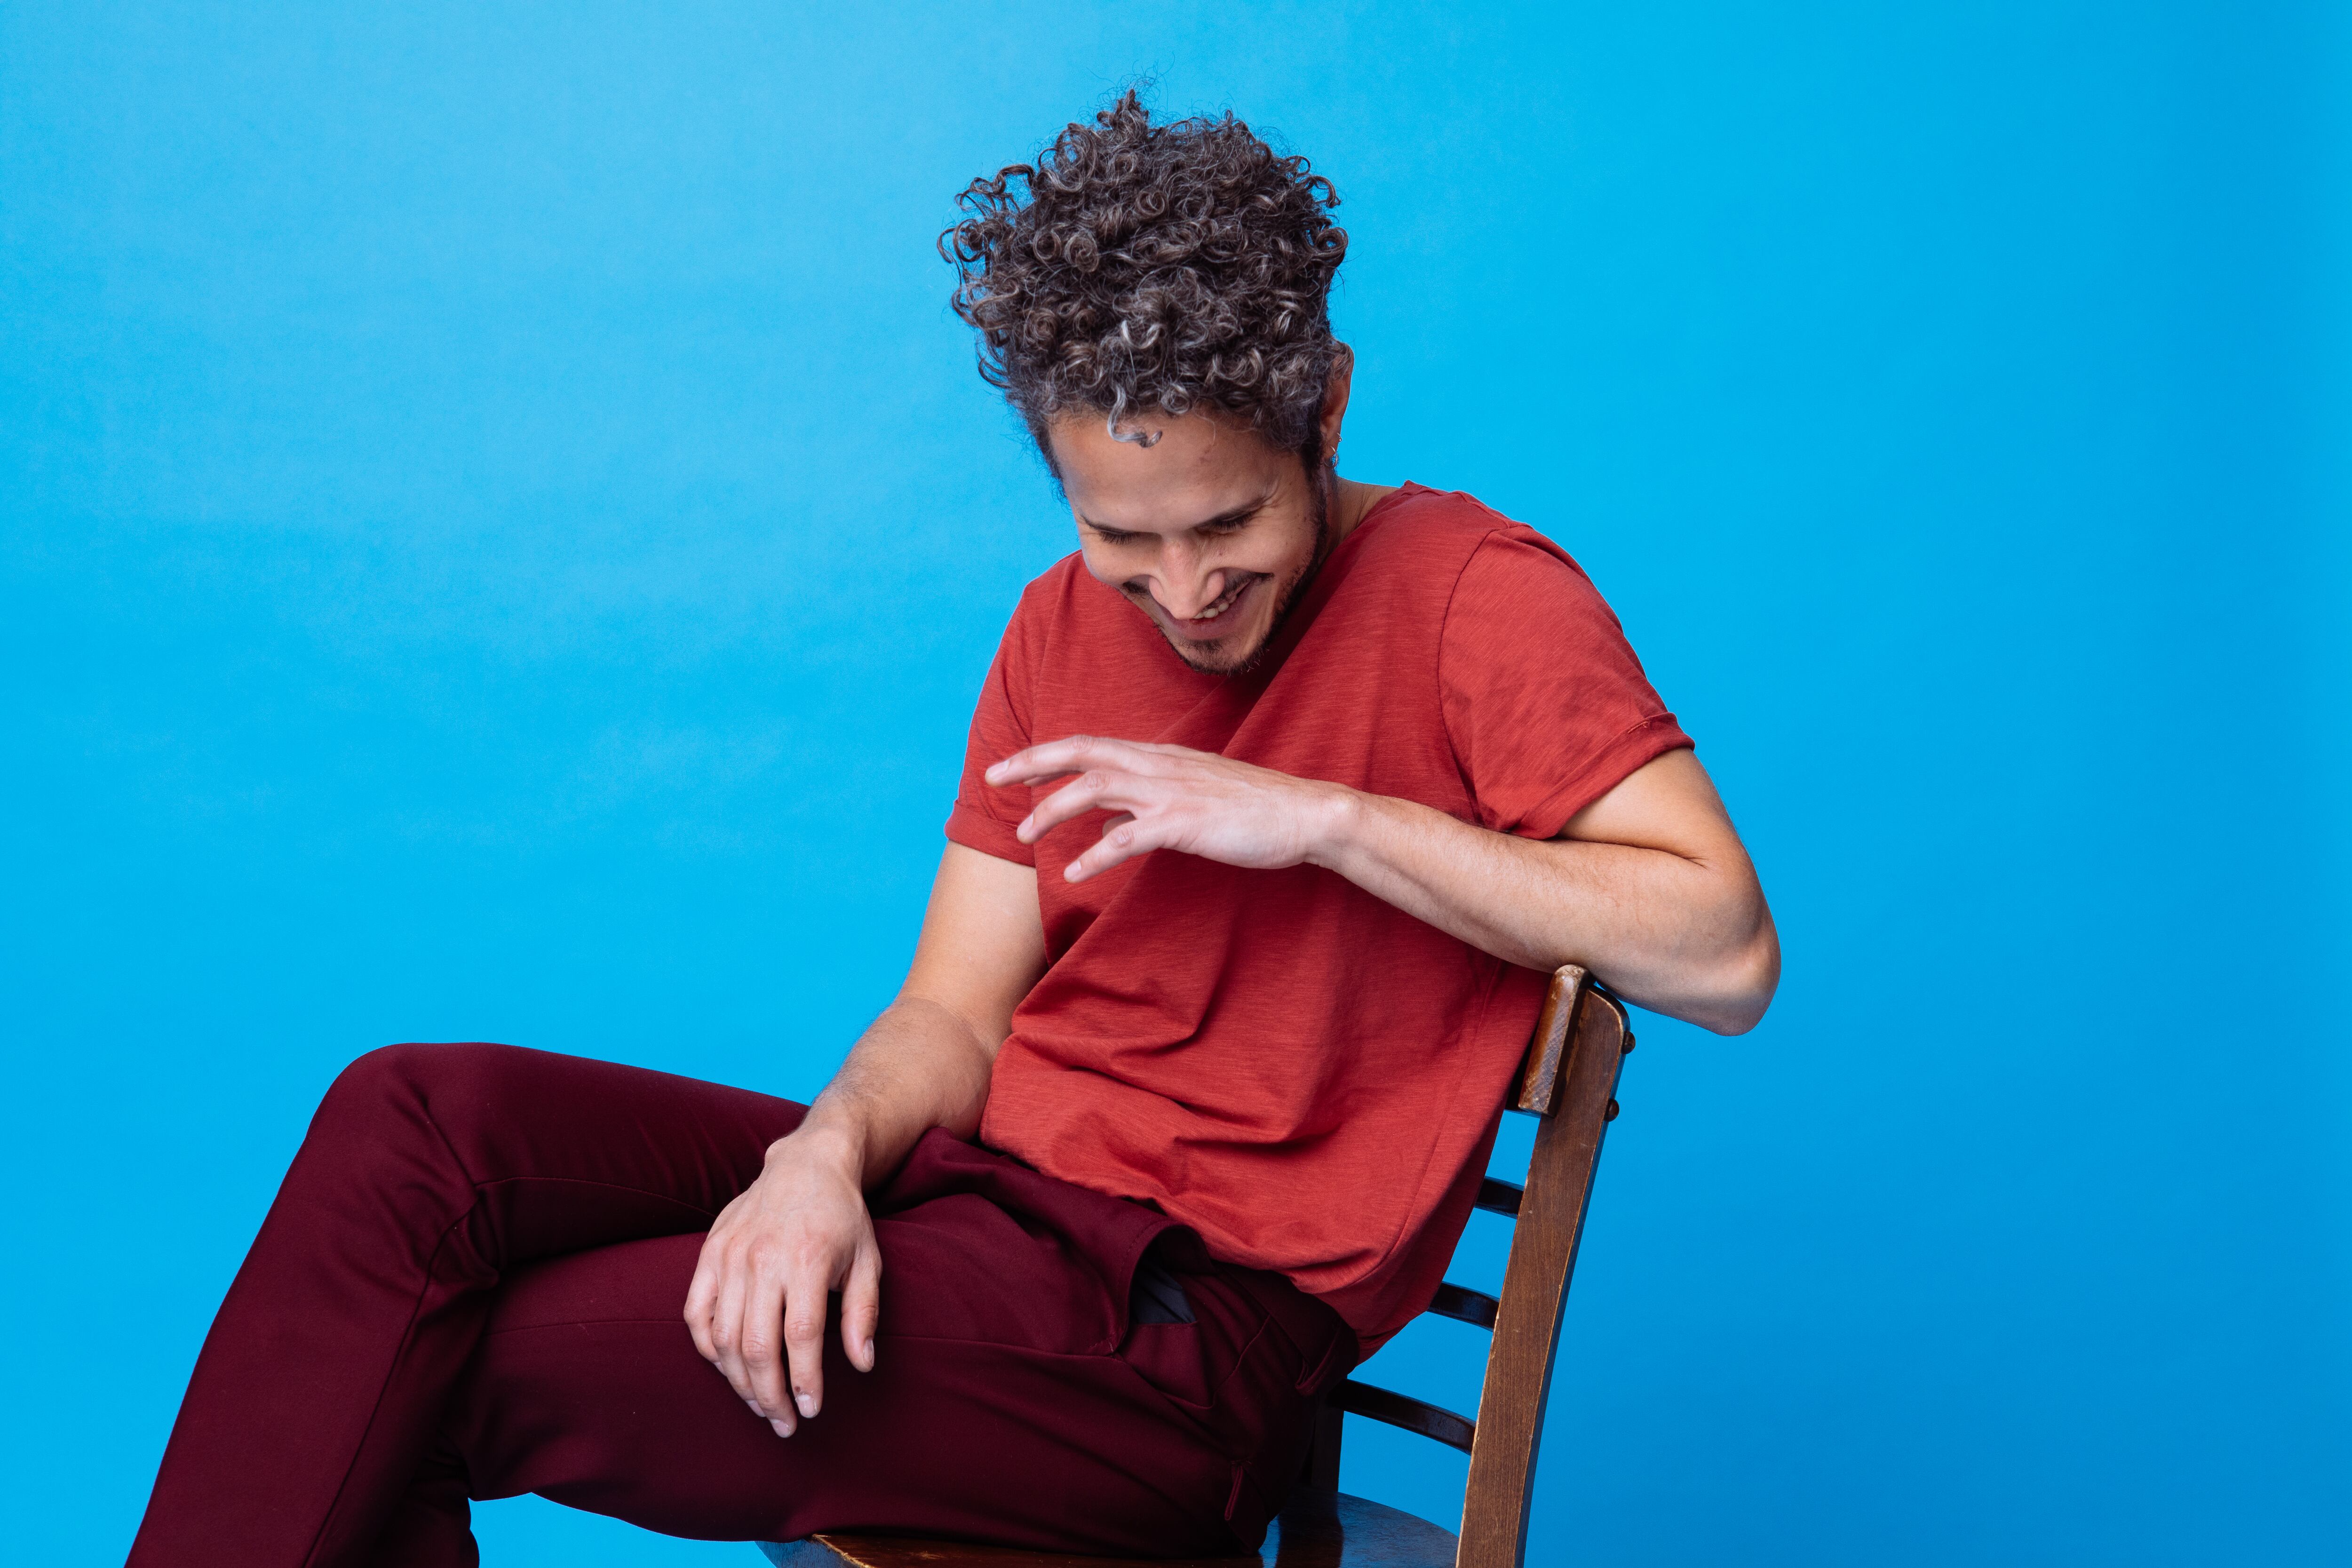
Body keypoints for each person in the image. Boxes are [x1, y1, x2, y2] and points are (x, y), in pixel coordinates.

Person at [127, 92, 1777, 1568]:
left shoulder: (1477, 598)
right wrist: (823, 1155)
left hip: (1187, 1341)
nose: (1186, 593)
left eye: (1232, 522)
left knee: (403, 1371)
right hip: (981, 1200)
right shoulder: (1055, 628)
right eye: (1124, 537)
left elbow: (1725, 953)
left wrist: (1325, 821)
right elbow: (957, 1017)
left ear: (1327, 410)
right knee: (415, 1124)